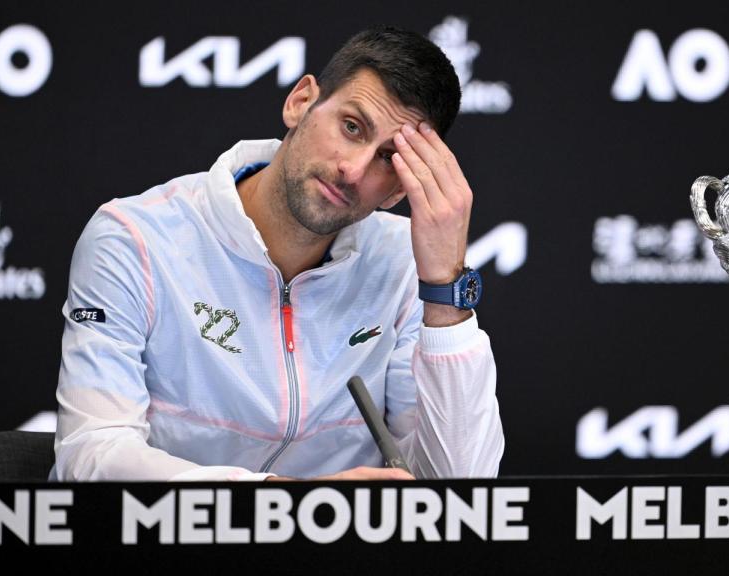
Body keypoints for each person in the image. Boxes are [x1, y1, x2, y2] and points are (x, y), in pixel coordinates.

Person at [51, 27, 503, 481]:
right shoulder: (133, 239)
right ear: (301, 102)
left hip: (336, 551)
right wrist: (286, 504)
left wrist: (446, 288)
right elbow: (91, 454)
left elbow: (460, 491)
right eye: (352, 127)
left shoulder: (402, 266)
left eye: (388, 158)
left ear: (399, 189)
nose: (353, 169)